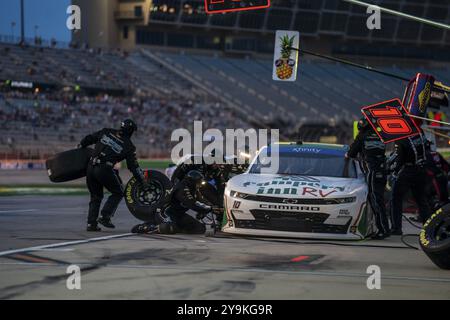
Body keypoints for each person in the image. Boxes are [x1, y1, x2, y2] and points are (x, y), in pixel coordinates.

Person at [80, 119, 146, 231]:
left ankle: (91, 224)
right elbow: (133, 166)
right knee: (118, 192)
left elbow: (89, 138)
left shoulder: (106, 131)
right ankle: (105, 216)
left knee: (96, 196)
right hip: (104, 169)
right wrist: (141, 179)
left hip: (90, 167)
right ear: (130, 131)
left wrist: (81, 144)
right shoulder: (129, 146)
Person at [346, 117, 390, 239]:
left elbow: (350, 153)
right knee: (380, 200)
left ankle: (383, 230)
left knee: (375, 200)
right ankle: (385, 228)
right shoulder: (380, 135)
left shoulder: (362, 136)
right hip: (382, 170)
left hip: (372, 171)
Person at [132, 170, 210, 235]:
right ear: (192, 181)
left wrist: (211, 207)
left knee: (200, 229)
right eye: (199, 182)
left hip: (178, 215)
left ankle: (178, 228)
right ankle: (147, 227)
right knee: (170, 227)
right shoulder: (182, 189)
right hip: (165, 212)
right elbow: (192, 203)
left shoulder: (194, 190)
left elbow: (202, 201)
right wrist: (208, 209)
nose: (200, 184)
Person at [390, 132, 431, 235]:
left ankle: (396, 228)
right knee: (422, 200)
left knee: (396, 199)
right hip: (421, 170)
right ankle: (429, 228)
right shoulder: (420, 133)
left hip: (407, 171)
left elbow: (399, 158)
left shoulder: (401, 137)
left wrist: (393, 170)